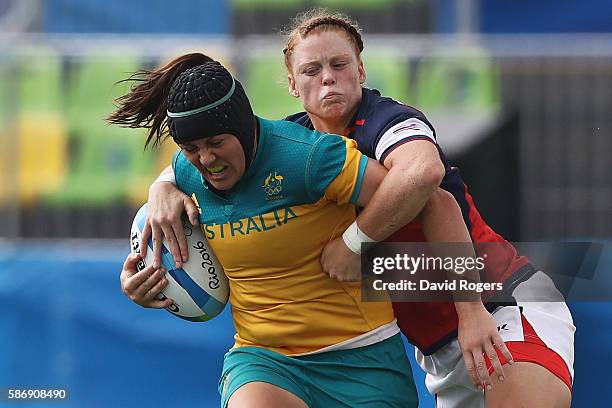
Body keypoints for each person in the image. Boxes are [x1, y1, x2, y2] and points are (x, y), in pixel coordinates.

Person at [143, 10, 575, 408]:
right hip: (436, 346)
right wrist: (161, 187)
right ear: (293, 85)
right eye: (312, 70)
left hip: (498, 303)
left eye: (340, 64)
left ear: (361, 71)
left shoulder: (386, 122)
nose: (328, 79)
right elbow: (206, 162)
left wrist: (357, 243)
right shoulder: (297, 150)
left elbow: (427, 180)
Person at [109, 53, 478, 408]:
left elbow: (434, 201)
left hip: (363, 358)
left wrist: (471, 310)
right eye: (191, 148)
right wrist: (147, 284)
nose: (206, 159)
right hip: (264, 360)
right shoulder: (185, 176)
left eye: (217, 143)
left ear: (242, 127)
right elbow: (173, 231)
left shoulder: (309, 158)